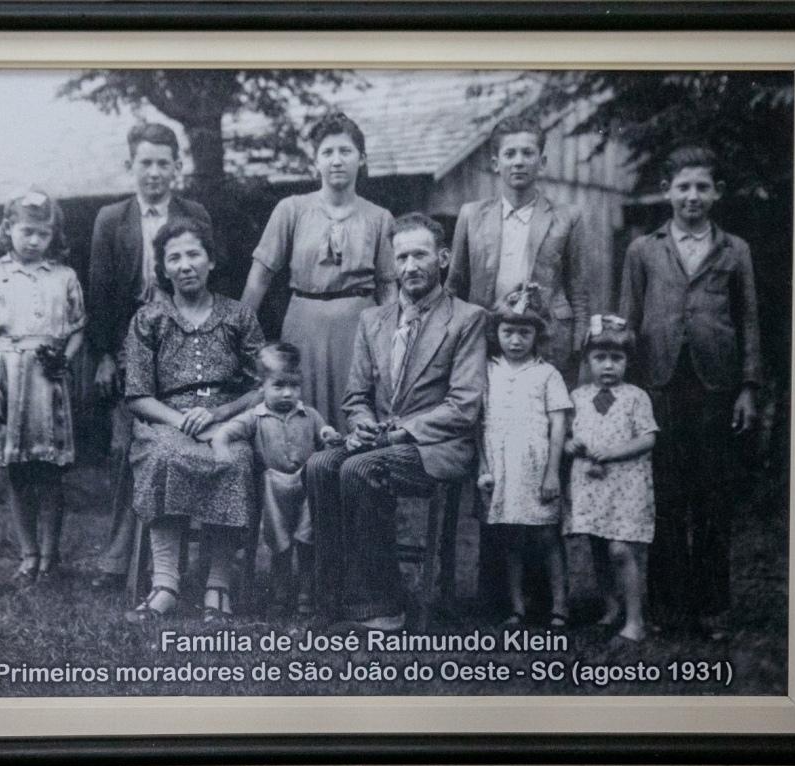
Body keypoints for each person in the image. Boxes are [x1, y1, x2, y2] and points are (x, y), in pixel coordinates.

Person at [305, 213, 486, 630]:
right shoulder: (374, 320)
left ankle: (383, 607)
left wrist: (401, 432)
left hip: (436, 446)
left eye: (420, 255)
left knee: (359, 468)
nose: (409, 267)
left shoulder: (466, 319)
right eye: (401, 257)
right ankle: (330, 598)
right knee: (319, 466)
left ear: (442, 258)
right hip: (382, 440)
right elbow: (356, 398)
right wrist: (364, 422)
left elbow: (463, 406)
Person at [619, 145, 762, 640]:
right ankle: (668, 606)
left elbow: (748, 322)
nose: (692, 196)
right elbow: (628, 321)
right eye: (683, 187)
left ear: (717, 193)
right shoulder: (643, 248)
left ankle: (711, 608)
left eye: (702, 187)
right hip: (658, 384)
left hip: (715, 385)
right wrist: (627, 393)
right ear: (667, 191)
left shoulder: (734, 249)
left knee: (712, 498)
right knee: (664, 496)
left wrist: (747, 387)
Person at [87, 122, 216, 591]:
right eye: (146, 163)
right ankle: (120, 559)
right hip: (128, 342)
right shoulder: (111, 219)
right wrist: (105, 355)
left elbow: (204, 279)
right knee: (128, 447)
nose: (155, 172)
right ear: (131, 166)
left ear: (178, 168)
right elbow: (99, 292)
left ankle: (174, 563)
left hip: (182, 338)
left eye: (164, 163)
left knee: (182, 442)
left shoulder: (194, 213)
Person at [122, 217, 264, 623]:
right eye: (174, 258)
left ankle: (217, 586)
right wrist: (180, 420)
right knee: (164, 455)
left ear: (211, 261)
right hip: (165, 420)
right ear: (163, 268)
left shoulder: (239, 317)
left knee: (233, 460)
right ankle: (165, 584)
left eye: (193, 254)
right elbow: (137, 394)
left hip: (225, 420)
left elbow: (263, 386)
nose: (185, 265)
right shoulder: (149, 319)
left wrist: (219, 415)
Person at [241, 112, 398, 431]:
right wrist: (239, 331)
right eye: (327, 152)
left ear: (362, 159)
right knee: (299, 415)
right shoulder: (292, 209)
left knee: (355, 417)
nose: (336, 160)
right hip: (303, 327)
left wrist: (391, 342)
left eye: (345, 151)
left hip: (358, 330)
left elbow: (388, 287)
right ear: (316, 161)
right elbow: (260, 276)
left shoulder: (379, 217)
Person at [0, 189, 86, 582]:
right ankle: (27, 553)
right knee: (17, 470)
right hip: (7, 377)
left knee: (49, 471)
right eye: (26, 231)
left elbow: (79, 327)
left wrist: (64, 358)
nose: (34, 240)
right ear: (9, 228)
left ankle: (51, 557)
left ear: (54, 237)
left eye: (43, 234)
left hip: (47, 380)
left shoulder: (64, 276)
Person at [445, 114, 589, 385]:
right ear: (496, 164)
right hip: (486, 335)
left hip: (550, 335)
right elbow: (454, 286)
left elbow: (578, 290)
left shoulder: (567, 217)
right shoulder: (471, 215)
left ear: (542, 162)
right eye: (510, 154)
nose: (519, 161)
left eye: (528, 153)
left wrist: (579, 345)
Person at [211, 342, 343, 615]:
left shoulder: (309, 414)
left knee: (308, 540)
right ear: (262, 387)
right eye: (278, 386)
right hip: (273, 488)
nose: (287, 394)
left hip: (307, 485)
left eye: (294, 386)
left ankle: (307, 591)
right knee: (279, 543)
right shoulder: (255, 417)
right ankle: (279, 593)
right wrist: (221, 450)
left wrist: (329, 435)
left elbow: (324, 432)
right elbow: (223, 433)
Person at [477, 283, 572, 628]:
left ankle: (560, 606)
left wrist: (552, 473)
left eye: (524, 333)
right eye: (508, 332)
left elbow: (559, 424)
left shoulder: (547, 373)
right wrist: (483, 466)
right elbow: (478, 421)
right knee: (510, 538)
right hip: (501, 463)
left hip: (535, 464)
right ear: (497, 332)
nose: (515, 340)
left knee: (547, 535)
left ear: (537, 334)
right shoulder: (487, 370)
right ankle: (517, 607)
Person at [565, 315, 658, 643]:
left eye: (616, 359)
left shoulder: (636, 397)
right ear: (588, 361)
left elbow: (648, 438)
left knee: (621, 550)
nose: (608, 366)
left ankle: (635, 620)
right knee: (600, 548)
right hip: (591, 485)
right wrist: (570, 445)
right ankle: (611, 607)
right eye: (600, 358)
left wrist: (614, 452)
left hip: (624, 484)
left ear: (627, 362)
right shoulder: (577, 397)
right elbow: (567, 438)